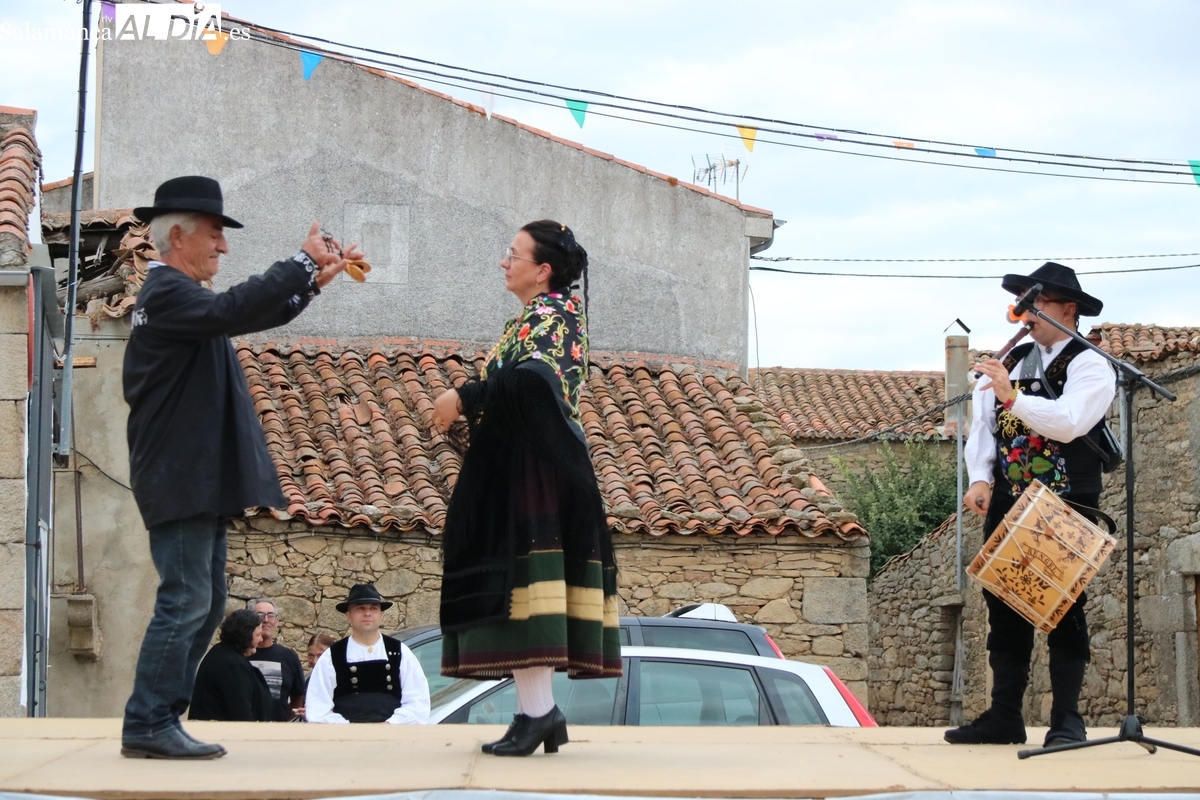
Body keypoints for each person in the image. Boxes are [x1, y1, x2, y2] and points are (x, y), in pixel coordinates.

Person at [120, 176, 361, 760]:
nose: (224, 247)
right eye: (215, 234)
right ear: (179, 236)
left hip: (191, 479)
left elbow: (241, 315)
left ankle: (159, 720)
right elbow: (234, 307)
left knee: (203, 603)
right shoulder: (167, 293)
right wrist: (300, 261)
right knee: (186, 601)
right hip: (181, 478)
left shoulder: (181, 302)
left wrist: (312, 283)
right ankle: (148, 722)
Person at [432, 220, 621, 757]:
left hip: (538, 470)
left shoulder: (557, 316)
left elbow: (533, 381)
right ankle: (537, 712)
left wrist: (465, 396)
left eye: (513, 254)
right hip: (519, 466)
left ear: (542, 271)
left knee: (526, 592)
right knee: (517, 595)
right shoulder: (534, 318)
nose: (503, 261)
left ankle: (539, 715)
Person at [945, 262, 1115, 747]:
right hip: (1011, 498)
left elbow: (1068, 421)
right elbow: (984, 425)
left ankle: (1067, 720)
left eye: (1038, 303)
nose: (1028, 313)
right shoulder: (1014, 360)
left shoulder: (1090, 364)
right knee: (1003, 602)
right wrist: (981, 477)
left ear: (1069, 309)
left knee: (1064, 604)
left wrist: (1012, 395)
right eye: (1026, 303)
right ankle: (1004, 716)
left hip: (1066, 500)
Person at [305, 584, 430, 724]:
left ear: (381, 615)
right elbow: (318, 709)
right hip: (345, 736)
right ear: (348, 616)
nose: (367, 613)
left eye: (373, 608)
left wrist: (389, 725)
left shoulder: (399, 652)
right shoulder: (332, 656)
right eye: (360, 608)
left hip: (392, 735)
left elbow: (418, 702)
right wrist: (350, 729)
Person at [189, 609, 275, 722]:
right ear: (245, 635)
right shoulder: (233, 665)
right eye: (258, 635)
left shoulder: (221, 654)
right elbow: (241, 713)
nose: (261, 639)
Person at [247, 599, 305, 721]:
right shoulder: (241, 655)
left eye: (271, 615)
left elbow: (298, 696)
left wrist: (284, 721)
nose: (266, 620)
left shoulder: (289, 657)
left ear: (277, 621)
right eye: (260, 615)